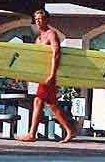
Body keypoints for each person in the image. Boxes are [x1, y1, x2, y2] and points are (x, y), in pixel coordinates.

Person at [17, 9, 75, 143]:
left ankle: (32, 134)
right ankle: (70, 130)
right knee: (51, 104)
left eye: (41, 19)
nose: (38, 21)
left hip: (49, 75)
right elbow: (34, 60)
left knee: (39, 101)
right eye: (36, 19)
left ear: (47, 20)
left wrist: (52, 74)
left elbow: (57, 54)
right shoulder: (38, 39)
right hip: (43, 75)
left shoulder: (51, 34)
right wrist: (23, 74)